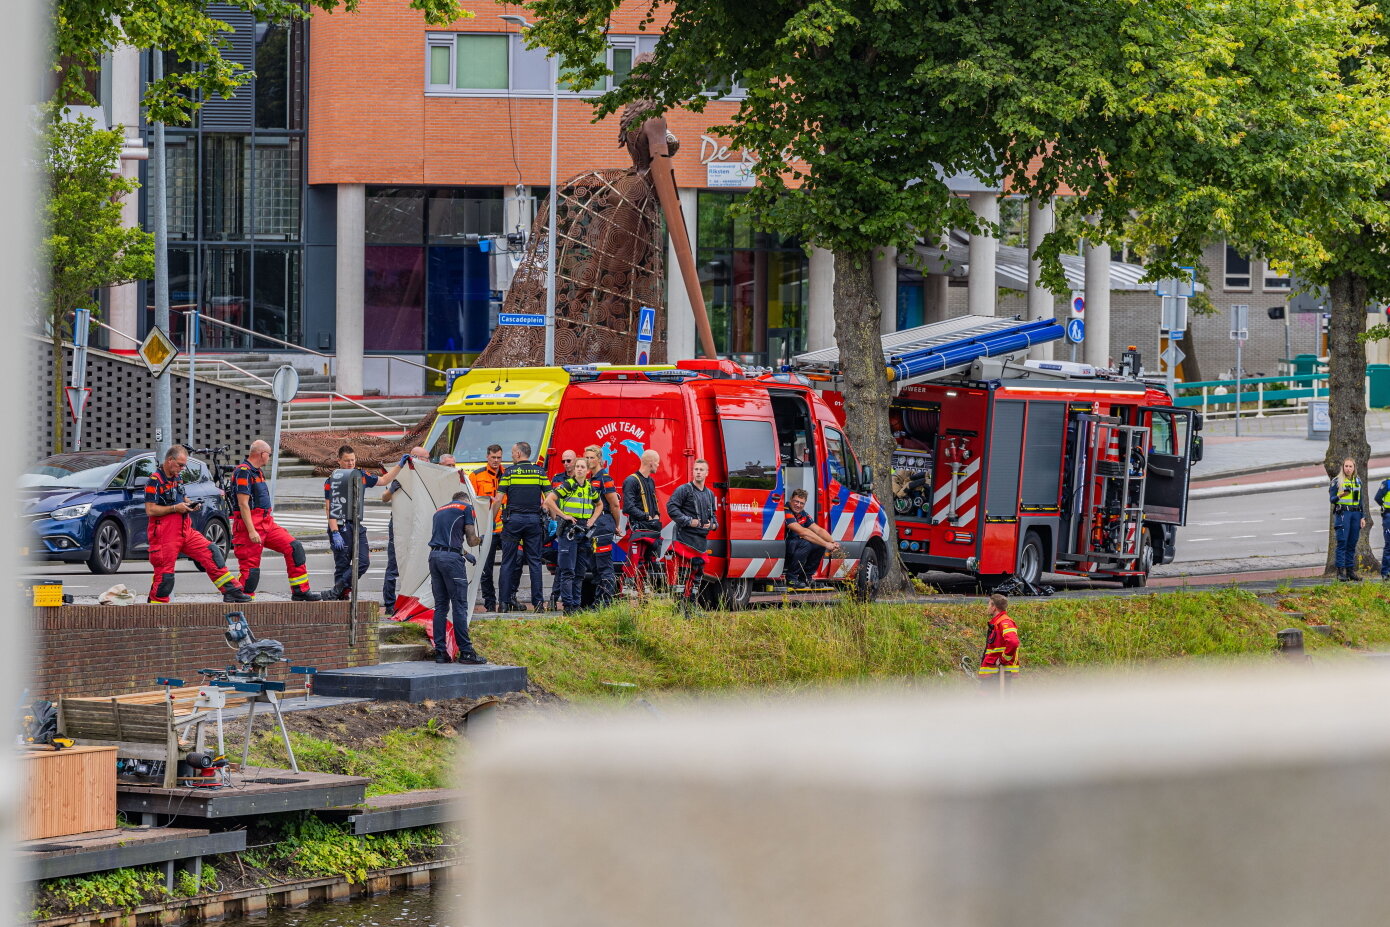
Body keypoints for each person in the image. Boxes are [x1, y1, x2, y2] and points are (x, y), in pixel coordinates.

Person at [145, 445, 252, 604]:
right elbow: (150, 510)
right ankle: (155, 611)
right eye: (180, 465)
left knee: (212, 553)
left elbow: (182, 498)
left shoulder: (177, 477)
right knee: (165, 579)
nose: (182, 468)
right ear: (170, 460)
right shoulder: (154, 481)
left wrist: (191, 504)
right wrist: (175, 508)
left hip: (184, 530)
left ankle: (232, 591)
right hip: (164, 534)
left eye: (184, 465)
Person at [231, 440, 321, 602]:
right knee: (250, 572)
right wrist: (251, 531)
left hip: (266, 522)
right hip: (249, 525)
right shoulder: (243, 472)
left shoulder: (257, 471)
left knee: (294, 548)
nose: (269, 458)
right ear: (262, 454)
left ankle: (300, 591)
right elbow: (243, 504)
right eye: (269, 454)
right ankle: (240, 600)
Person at [325, 444, 406, 600]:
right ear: (339, 461)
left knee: (363, 562)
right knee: (342, 565)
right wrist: (335, 532)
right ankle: (340, 599)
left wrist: (400, 466)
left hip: (356, 524)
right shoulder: (333, 480)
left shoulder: (361, 475)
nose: (350, 463)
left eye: (353, 460)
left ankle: (336, 590)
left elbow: (383, 480)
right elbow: (329, 509)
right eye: (347, 460)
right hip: (340, 526)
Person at [428, 490, 486, 665]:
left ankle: (440, 652)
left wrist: (465, 554)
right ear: (466, 500)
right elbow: (471, 539)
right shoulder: (467, 508)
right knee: (460, 606)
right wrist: (483, 539)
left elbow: (446, 539)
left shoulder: (440, 510)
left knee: (440, 606)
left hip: (434, 558)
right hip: (452, 562)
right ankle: (467, 652)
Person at [497, 441, 549, 612]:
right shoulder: (540, 472)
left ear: (519, 454)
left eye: (513, 452)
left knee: (508, 562)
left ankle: (504, 604)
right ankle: (539, 604)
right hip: (534, 521)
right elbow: (549, 497)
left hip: (513, 521)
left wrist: (489, 520)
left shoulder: (509, 473)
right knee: (534, 562)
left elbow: (498, 499)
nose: (511, 455)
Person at [547, 456, 602, 611]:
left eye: (582, 467)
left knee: (579, 573)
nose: (579, 469)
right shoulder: (568, 485)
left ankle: (576, 605)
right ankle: (568, 606)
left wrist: (592, 520)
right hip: (569, 530)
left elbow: (599, 504)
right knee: (567, 571)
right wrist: (563, 515)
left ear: (588, 470)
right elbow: (549, 500)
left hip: (584, 531)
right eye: (577, 466)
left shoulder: (589, 488)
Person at [380, 446, 430, 615]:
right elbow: (384, 497)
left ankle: (412, 599)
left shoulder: (425, 476)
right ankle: (389, 603)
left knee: (417, 562)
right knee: (395, 563)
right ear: (415, 458)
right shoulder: (400, 475)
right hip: (400, 524)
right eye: (425, 458)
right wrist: (392, 489)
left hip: (419, 524)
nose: (428, 461)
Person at [666, 458, 717, 601]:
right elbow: (671, 508)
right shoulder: (683, 490)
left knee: (697, 574)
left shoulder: (710, 494)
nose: (698, 472)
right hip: (684, 539)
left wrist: (712, 525)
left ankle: (692, 604)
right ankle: (679, 606)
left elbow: (714, 517)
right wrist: (688, 521)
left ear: (707, 473)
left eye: (701, 470)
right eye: (696, 469)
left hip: (700, 541)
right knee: (683, 574)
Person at [582, 445, 622, 606]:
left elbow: (615, 505)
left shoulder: (605, 478)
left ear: (599, 459)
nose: (589, 460)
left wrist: (616, 525)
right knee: (595, 567)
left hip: (604, 524)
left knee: (604, 567)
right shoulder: (590, 479)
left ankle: (605, 603)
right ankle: (598, 603)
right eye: (587, 457)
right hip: (593, 527)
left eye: (592, 457)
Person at [468, 444, 506, 612]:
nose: (496, 461)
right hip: (486, 529)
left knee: (512, 565)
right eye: (493, 457)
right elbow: (472, 502)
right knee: (486, 568)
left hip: (506, 528)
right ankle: (489, 603)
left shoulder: (508, 474)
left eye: (499, 457)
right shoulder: (476, 476)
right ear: (487, 457)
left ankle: (507, 600)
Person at [621, 449, 663, 594]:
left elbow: (653, 501)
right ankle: (626, 596)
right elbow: (628, 507)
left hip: (651, 531)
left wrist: (656, 516)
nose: (658, 465)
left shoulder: (651, 481)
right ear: (651, 462)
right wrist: (646, 517)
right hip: (638, 530)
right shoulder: (631, 480)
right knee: (633, 564)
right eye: (657, 462)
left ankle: (643, 595)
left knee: (647, 564)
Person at [783, 488, 841, 587]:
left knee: (818, 546)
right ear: (790, 499)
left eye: (802, 503)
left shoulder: (803, 514)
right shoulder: (786, 511)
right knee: (806, 543)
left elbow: (819, 530)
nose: (798, 505)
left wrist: (832, 542)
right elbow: (803, 532)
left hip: (795, 544)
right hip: (784, 545)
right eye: (796, 501)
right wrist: (826, 544)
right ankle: (791, 578)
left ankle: (806, 577)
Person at [1329, 457, 1367, 582]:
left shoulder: (1357, 481)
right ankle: (1340, 572)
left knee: (1352, 543)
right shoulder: (1337, 481)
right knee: (1342, 542)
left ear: (1354, 468)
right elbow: (1332, 499)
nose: (1348, 468)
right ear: (1343, 467)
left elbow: (1361, 500)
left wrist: (1363, 516)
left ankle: (1350, 571)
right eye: (1346, 466)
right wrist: (1339, 495)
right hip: (1343, 514)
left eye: (1351, 466)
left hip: (1356, 514)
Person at [977, 593, 1020, 690]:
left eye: (989, 604)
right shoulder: (997, 622)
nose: (987, 607)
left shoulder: (1004, 622)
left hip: (999, 671)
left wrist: (1002, 660)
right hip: (993, 671)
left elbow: (1013, 642)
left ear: (994, 607)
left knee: (994, 700)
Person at [1377, 474, 1390, 581]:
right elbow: (1377, 498)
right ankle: (1385, 572)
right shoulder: (1387, 484)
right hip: (1389, 516)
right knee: (1389, 544)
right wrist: (1384, 507)